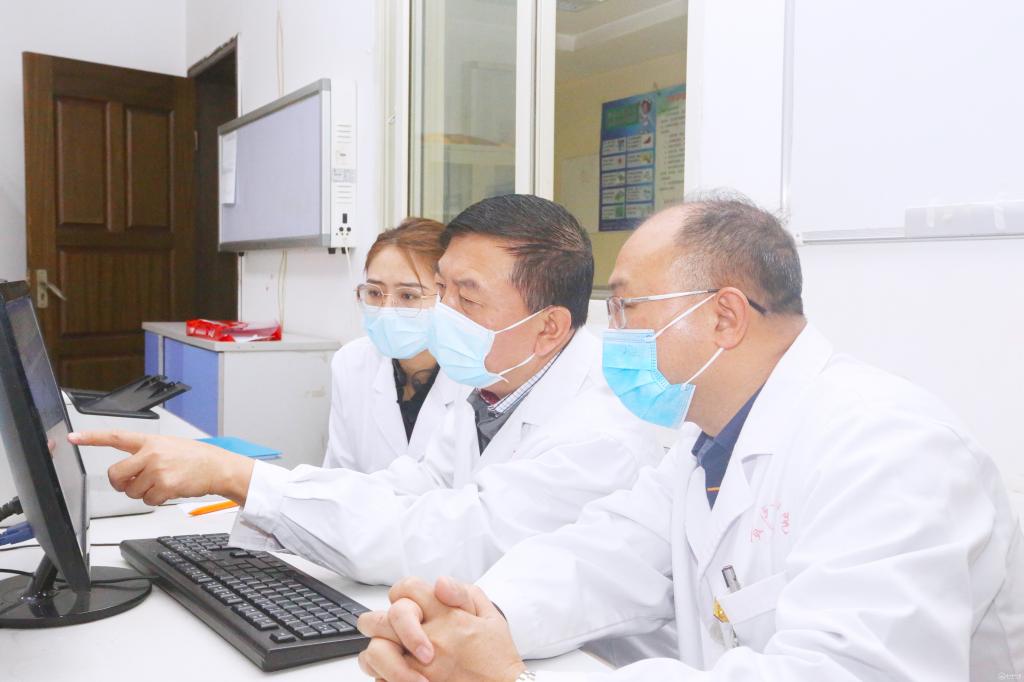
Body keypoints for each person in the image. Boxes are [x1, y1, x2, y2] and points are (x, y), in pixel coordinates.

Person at [356, 193, 1024, 681]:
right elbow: (601, 556)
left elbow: (841, 672)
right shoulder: (701, 446)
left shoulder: (892, 449)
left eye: (627, 307)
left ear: (724, 316)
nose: (613, 332)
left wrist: (506, 674)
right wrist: (478, 617)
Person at [68, 194, 666, 590]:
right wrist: (248, 484)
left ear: (550, 327)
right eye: (442, 291)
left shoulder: (600, 430)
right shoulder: (495, 385)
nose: (441, 314)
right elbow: (406, 487)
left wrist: (238, 476)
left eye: (465, 297)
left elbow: (453, 538)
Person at [324, 217, 466, 473]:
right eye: (374, 293)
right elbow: (339, 476)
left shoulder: (477, 378)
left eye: (408, 295)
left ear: (448, 296)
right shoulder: (351, 363)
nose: (386, 310)